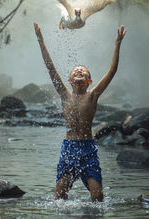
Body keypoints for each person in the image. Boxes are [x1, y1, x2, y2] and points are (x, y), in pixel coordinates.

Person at [33, 22, 126, 202]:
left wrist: (117, 43)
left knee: (97, 198)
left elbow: (112, 71)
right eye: (76, 70)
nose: (79, 70)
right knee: (60, 198)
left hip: (88, 149)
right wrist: (40, 41)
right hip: (69, 148)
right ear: (69, 80)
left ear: (89, 81)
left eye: (83, 70)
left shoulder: (92, 96)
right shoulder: (64, 94)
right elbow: (50, 68)